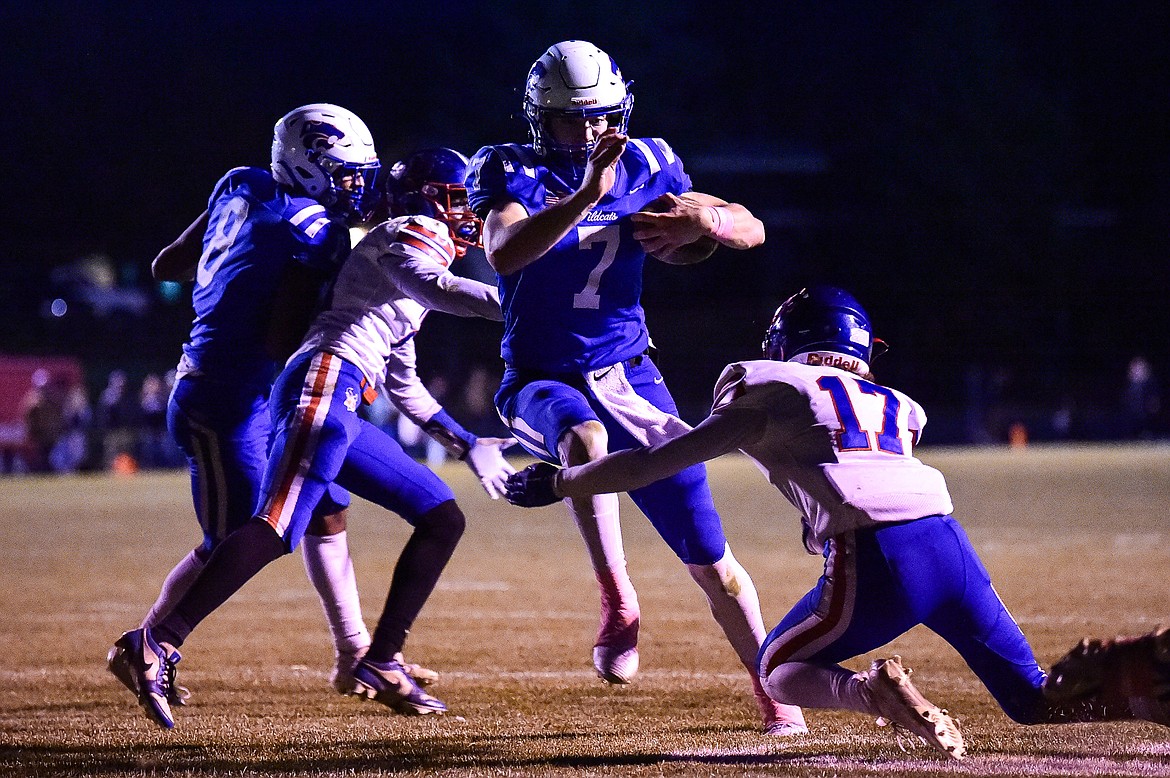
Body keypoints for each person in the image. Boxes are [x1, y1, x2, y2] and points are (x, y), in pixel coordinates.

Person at [504, 285, 1170, 759]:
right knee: (1031, 701)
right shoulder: (895, 403)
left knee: (779, 669)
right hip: (948, 544)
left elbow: (653, 462)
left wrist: (565, 479)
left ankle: (873, 693)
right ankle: (1142, 682)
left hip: (878, 556)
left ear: (789, 343)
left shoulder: (769, 387)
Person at [465, 39, 806, 735]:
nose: (589, 134)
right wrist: (588, 196)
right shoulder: (507, 167)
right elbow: (504, 252)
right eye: (570, 120)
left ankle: (776, 696)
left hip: (630, 377)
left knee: (713, 558)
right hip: (541, 377)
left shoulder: (646, 160)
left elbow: (751, 225)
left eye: (599, 118)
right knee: (582, 439)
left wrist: (702, 221)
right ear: (539, 119)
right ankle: (618, 599)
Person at [112, 147, 513, 730]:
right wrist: (530, 311)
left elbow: (404, 381)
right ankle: (156, 641)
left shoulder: (411, 262)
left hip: (342, 393)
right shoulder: (411, 231)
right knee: (276, 528)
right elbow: (440, 288)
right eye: (458, 196)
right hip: (324, 382)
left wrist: (465, 440)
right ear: (427, 197)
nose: (470, 210)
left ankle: (378, 659)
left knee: (441, 516)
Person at [107, 104, 404, 709]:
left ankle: (354, 653)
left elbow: (170, 264)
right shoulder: (312, 232)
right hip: (223, 400)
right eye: (346, 173)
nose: (356, 185)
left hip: (246, 392)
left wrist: (240, 271)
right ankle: (145, 646)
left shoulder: (240, 182)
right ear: (309, 167)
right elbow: (281, 339)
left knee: (322, 507)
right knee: (238, 539)